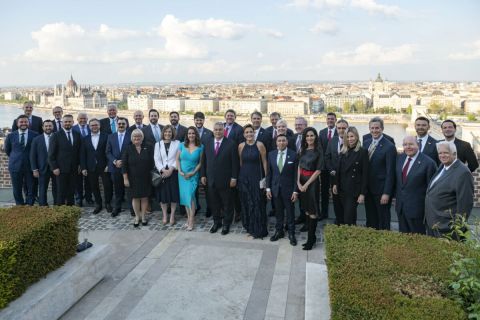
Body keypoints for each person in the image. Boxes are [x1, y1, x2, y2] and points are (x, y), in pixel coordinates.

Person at [425, 141, 474, 238]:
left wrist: (457, 228)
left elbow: (465, 204)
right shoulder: (443, 166)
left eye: (446, 153)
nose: (442, 155)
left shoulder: (463, 173)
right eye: (440, 153)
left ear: (454, 154)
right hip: (433, 222)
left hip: (447, 228)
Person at [201, 122, 239, 235]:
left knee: (227, 204)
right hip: (211, 180)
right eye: (216, 129)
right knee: (214, 203)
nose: (218, 132)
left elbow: (235, 163)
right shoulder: (207, 143)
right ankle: (216, 222)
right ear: (213, 130)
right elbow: (204, 161)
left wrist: (234, 178)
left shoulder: (231, 144)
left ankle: (226, 224)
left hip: (226, 181)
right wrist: (203, 175)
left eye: (220, 130)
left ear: (224, 131)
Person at [395, 136, 437, 234]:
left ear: (418, 145)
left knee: (418, 241)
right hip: (401, 208)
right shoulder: (400, 158)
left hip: (417, 210)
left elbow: (431, 190)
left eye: (411, 144)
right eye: (405, 145)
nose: (408, 147)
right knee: (403, 238)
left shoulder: (428, 163)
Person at [363, 117, 396, 230]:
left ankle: (384, 242)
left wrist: (386, 193)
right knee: (371, 218)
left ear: (382, 129)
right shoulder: (366, 143)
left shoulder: (389, 147)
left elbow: (390, 172)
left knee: (383, 218)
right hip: (368, 190)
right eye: (372, 128)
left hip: (381, 191)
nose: (374, 130)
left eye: (377, 128)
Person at [332, 127, 368, 226]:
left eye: (352, 136)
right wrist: (335, 184)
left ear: (356, 136)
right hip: (341, 189)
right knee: (341, 217)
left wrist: (362, 193)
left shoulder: (362, 152)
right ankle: (343, 237)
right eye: (347, 137)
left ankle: (350, 238)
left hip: (353, 191)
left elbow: (365, 174)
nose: (349, 139)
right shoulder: (343, 150)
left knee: (349, 218)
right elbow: (338, 170)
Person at [266, 134, 298, 245]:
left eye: (283, 140)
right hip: (275, 189)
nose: (281, 142)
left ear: (287, 142)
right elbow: (269, 173)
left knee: (290, 213)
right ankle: (279, 231)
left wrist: (295, 191)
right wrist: (268, 188)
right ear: (276, 142)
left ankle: (291, 233)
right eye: (279, 141)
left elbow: (295, 175)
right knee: (278, 212)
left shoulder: (294, 155)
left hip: (289, 190)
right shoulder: (271, 154)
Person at [238, 124, 268, 239]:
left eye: (251, 132)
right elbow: (241, 162)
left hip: (257, 178)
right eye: (247, 132)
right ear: (244, 134)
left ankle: (258, 229)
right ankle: (249, 227)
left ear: (254, 133)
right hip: (244, 178)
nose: (249, 134)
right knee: (246, 203)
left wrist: (265, 179)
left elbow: (264, 162)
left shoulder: (260, 145)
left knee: (257, 203)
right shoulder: (240, 146)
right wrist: (241, 177)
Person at [297, 127, 323, 250]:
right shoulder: (303, 150)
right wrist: (298, 182)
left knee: (312, 211)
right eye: (307, 136)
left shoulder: (319, 151)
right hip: (301, 182)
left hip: (312, 184)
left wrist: (307, 184)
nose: (309, 138)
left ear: (315, 137)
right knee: (306, 209)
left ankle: (311, 239)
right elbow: (299, 166)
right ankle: (311, 238)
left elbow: (318, 170)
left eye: (312, 135)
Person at [80, 119, 113, 214]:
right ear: (89, 127)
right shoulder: (85, 139)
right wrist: (83, 168)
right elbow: (82, 154)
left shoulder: (106, 136)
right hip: (91, 166)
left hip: (104, 166)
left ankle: (107, 203)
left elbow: (109, 151)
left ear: (99, 126)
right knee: (94, 186)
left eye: (96, 125)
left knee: (108, 185)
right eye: (92, 125)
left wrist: (108, 164)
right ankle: (98, 204)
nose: (94, 127)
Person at [123, 129, 154, 227]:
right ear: (132, 138)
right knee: (135, 198)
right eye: (135, 136)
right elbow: (124, 165)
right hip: (132, 178)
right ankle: (137, 216)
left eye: (139, 136)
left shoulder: (148, 147)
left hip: (146, 177)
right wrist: (125, 178)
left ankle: (144, 216)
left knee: (145, 197)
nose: (137, 138)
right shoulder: (128, 148)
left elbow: (152, 162)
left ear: (142, 137)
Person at [48, 114, 81, 206]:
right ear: (62, 123)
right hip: (60, 169)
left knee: (71, 190)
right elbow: (51, 154)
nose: (67, 123)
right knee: (61, 191)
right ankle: (60, 210)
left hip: (74, 168)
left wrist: (80, 165)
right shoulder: (55, 135)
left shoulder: (77, 135)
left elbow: (79, 152)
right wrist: (54, 167)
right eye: (65, 121)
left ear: (73, 122)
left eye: (69, 121)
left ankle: (70, 209)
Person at [5, 115, 38, 205]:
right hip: (15, 166)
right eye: (21, 122)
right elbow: (8, 151)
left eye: (25, 122)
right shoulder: (10, 136)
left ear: (29, 123)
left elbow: (36, 151)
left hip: (30, 166)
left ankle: (29, 205)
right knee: (17, 188)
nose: (23, 123)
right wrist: (16, 158)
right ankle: (20, 206)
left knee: (31, 187)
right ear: (17, 123)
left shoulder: (35, 135)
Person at [177, 126, 204, 230]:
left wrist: (193, 172)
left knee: (191, 197)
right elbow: (177, 159)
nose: (191, 135)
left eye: (193, 133)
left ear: (196, 135)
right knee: (185, 197)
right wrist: (179, 170)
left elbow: (200, 163)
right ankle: (188, 219)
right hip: (182, 175)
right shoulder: (181, 145)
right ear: (187, 135)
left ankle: (191, 221)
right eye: (189, 133)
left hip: (193, 175)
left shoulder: (201, 146)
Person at [154, 125, 180, 226]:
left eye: (169, 132)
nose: (168, 134)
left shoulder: (177, 143)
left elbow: (178, 158)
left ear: (172, 133)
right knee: (163, 195)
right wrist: (162, 170)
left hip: (173, 172)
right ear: (163, 133)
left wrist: (171, 169)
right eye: (166, 132)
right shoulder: (158, 144)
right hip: (162, 173)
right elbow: (156, 159)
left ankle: (172, 215)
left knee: (173, 194)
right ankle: (164, 215)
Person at [106, 117, 131, 216]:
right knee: (117, 189)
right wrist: (115, 161)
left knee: (130, 189)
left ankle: (132, 209)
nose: (121, 125)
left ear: (126, 125)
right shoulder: (111, 137)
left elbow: (132, 151)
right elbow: (107, 152)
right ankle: (117, 208)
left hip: (128, 167)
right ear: (117, 125)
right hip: (115, 167)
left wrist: (123, 162)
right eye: (119, 123)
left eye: (123, 124)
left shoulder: (131, 136)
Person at [325, 119, 348, 225]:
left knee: (347, 201)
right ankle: (338, 220)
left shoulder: (352, 140)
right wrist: (331, 170)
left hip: (347, 178)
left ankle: (346, 222)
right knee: (336, 200)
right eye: (339, 128)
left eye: (344, 128)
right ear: (336, 129)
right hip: (334, 177)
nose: (341, 130)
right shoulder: (333, 140)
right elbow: (327, 157)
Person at [30, 120, 57, 206]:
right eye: (46, 126)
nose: (48, 128)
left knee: (57, 188)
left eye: (50, 126)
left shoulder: (58, 137)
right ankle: (43, 205)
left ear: (53, 127)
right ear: (43, 127)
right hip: (42, 168)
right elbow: (32, 155)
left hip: (56, 168)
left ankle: (57, 205)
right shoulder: (36, 139)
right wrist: (34, 169)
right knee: (42, 188)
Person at [289, 117, 308, 228]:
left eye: (300, 124)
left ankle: (307, 221)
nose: (298, 127)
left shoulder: (311, 137)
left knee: (306, 198)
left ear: (306, 125)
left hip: (306, 173)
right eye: (296, 125)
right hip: (295, 172)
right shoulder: (293, 138)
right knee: (299, 196)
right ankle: (301, 216)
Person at [318, 112, 338, 220]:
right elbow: (320, 150)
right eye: (328, 118)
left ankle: (337, 215)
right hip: (324, 168)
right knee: (324, 192)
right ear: (326, 120)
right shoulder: (322, 132)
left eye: (332, 119)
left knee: (336, 192)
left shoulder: (339, 132)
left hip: (335, 168)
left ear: (335, 120)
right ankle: (324, 214)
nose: (330, 120)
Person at [193, 111, 213, 216]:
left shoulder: (209, 133)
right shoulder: (190, 132)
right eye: (197, 120)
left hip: (206, 163)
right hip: (192, 164)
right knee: (194, 188)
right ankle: (196, 206)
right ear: (194, 120)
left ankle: (210, 207)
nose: (199, 122)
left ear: (203, 120)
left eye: (200, 120)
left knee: (207, 188)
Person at [72, 112, 92, 206]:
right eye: (81, 118)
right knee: (77, 181)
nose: (83, 120)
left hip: (89, 159)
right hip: (76, 159)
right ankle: (78, 198)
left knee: (89, 181)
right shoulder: (72, 129)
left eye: (85, 118)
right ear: (77, 119)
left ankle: (89, 198)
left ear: (87, 119)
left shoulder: (91, 127)